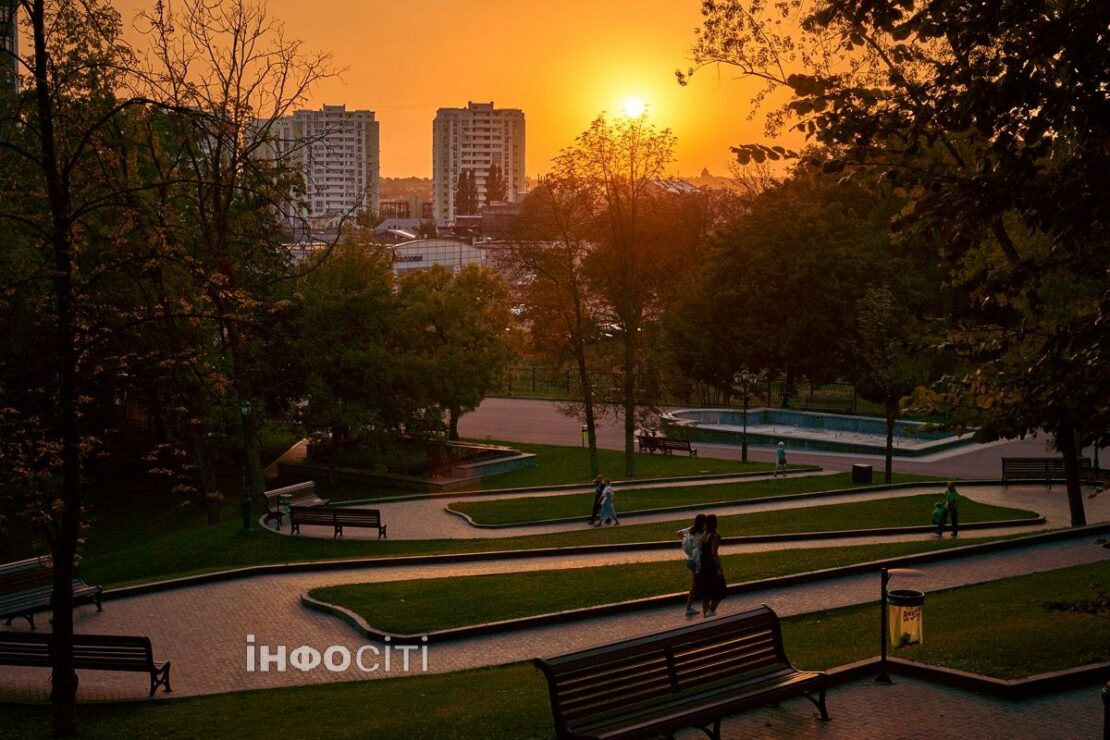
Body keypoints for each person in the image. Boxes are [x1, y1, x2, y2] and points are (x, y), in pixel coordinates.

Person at [694, 514, 727, 617]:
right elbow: (714, 553)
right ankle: (711, 610)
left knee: (706, 591)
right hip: (711, 564)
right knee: (720, 587)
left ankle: (706, 614)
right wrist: (719, 568)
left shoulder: (704, 534)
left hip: (703, 565)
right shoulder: (715, 535)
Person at [679, 514, 707, 617]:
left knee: (695, 585)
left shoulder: (691, 531)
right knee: (698, 585)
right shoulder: (701, 534)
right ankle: (691, 608)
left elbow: (679, 533)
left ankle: (689, 607)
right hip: (697, 562)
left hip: (690, 560)